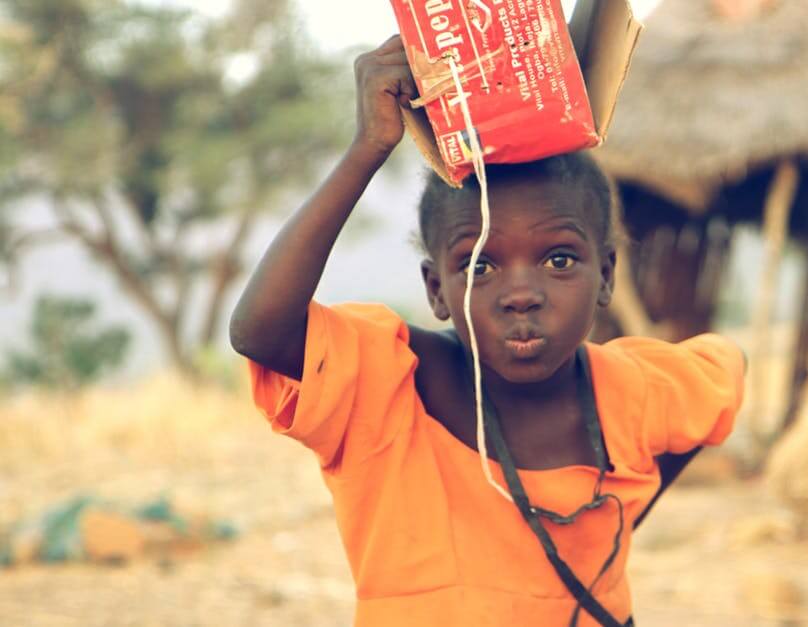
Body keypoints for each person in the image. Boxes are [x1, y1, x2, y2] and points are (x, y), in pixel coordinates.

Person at [228, 35, 745, 627]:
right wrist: (368, 147)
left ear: (605, 275)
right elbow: (261, 332)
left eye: (558, 260)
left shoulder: (630, 390)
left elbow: (725, 373)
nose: (521, 294)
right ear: (435, 290)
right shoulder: (389, 388)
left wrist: (622, 519)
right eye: (479, 265)